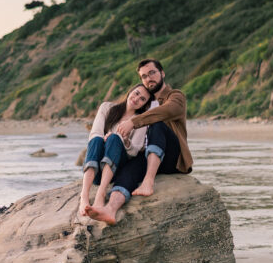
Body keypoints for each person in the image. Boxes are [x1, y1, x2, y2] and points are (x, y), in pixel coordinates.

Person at [84, 59, 193, 225]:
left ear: (162, 73)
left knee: (157, 123)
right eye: (144, 76)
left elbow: (168, 110)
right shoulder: (145, 105)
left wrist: (133, 123)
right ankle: (110, 209)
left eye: (152, 73)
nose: (149, 78)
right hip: (146, 155)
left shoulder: (175, 96)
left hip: (171, 156)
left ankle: (148, 182)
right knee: (129, 170)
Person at [78, 84, 152, 214]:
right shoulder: (107, 107)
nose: (136, 99)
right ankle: (84, 197)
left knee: (114, 139)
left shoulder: (140, 122)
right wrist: (105, 140)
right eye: (136, 93)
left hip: (115, 170)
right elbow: (95, 133)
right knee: (96, 140)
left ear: (144, 105)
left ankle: (100, 195)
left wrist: (124, 140)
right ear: (130, 92)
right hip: (97, 170)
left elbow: (134, 151)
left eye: (142, 99)